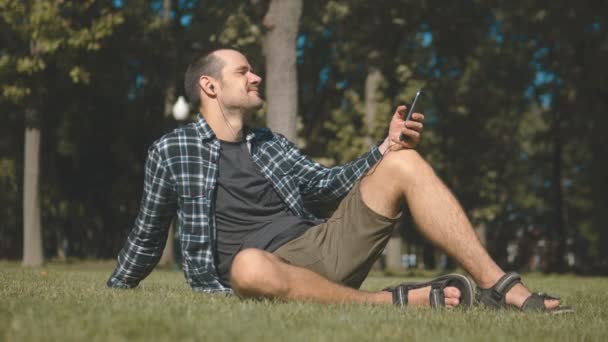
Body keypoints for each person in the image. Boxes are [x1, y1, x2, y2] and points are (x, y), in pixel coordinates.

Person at [107, 48, 571, 312]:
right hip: (261, 271)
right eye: (244, 70)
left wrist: (385, 147)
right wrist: (115, 289)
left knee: (404, 162)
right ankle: (390, 302)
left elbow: (330, 185)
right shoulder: (173, 150)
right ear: (210, 86)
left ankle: (503, 288)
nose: (256, 76)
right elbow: (148, 233)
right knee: (247, 265)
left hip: (320, 246)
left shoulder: (268, 142)